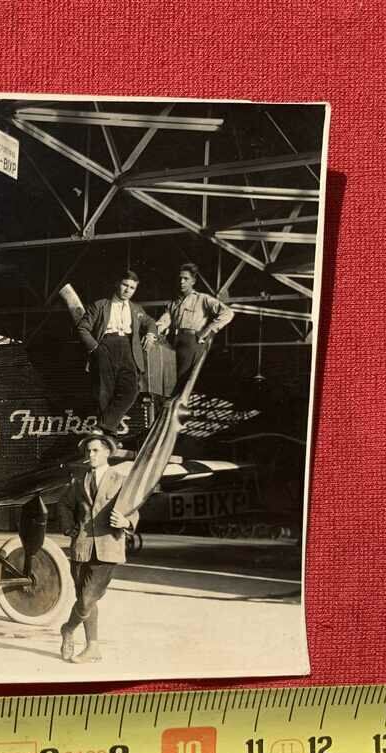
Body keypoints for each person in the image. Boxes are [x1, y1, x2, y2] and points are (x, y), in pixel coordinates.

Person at [57, 433, 138, 664]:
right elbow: (63, 504)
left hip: (108, 547)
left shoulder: (120, 480)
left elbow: (133, 508)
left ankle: (68, 629)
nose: (90, 455)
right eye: (88, 451)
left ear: (107, 453)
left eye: (95, 451)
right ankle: (93, 647)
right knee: (85, 598)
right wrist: (68, 527)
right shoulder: (78, 481)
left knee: (87, 598)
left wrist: (127, 522)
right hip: (81, 547)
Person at [75, 271, 157, 434]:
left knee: (131, 389)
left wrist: (150, 334)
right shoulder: (100, 305)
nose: (128, 290)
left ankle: (104, 427)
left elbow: (150, 322)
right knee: (104, 392)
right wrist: (95, 349)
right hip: (105, 346)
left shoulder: (136, 309)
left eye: (132, 288)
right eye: (125, 285)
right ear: (117, 284)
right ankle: (106, 433)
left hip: (128, 349)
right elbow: (82, 328)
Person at [149, 262, 235, 388]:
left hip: (190, 342)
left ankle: (173, 405)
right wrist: (153, 331)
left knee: (183, 380)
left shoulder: (202, 299)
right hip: (173, 341)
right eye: (179, 279)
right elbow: (164, 320)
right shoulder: (173, 303)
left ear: (193, 281)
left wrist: (207, 330)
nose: (181, 282)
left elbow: (227, 313)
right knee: (167, 379)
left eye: (186, 279)